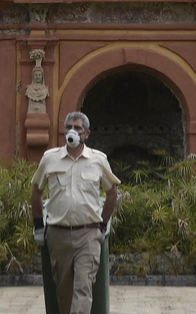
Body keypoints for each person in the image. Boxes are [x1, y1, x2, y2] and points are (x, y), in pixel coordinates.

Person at [31, 111, 120, 314]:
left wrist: (102, 224)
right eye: (69, 127)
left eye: (78, 128)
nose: (73, 131)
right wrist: (38, 225)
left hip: (88, 235)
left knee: (83, 288)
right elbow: (36, 191)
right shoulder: (50, 158)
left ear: (87, 133)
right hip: (57, 234)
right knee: (64, 292)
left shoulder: (98, 160)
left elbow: (112, 192)